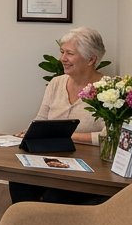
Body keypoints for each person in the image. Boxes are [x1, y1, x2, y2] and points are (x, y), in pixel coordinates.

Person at [10, 27, 108, 205]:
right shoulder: (57, 83)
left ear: (91, 59)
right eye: (62, 52)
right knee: (19, 181)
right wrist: (31, 132)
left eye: (69, 53)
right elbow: (41, 120)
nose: (62, 58)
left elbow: (107, 137)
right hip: (50, 159)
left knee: (55, 196)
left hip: (87, 167)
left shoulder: (109, 90)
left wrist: (65, 135)